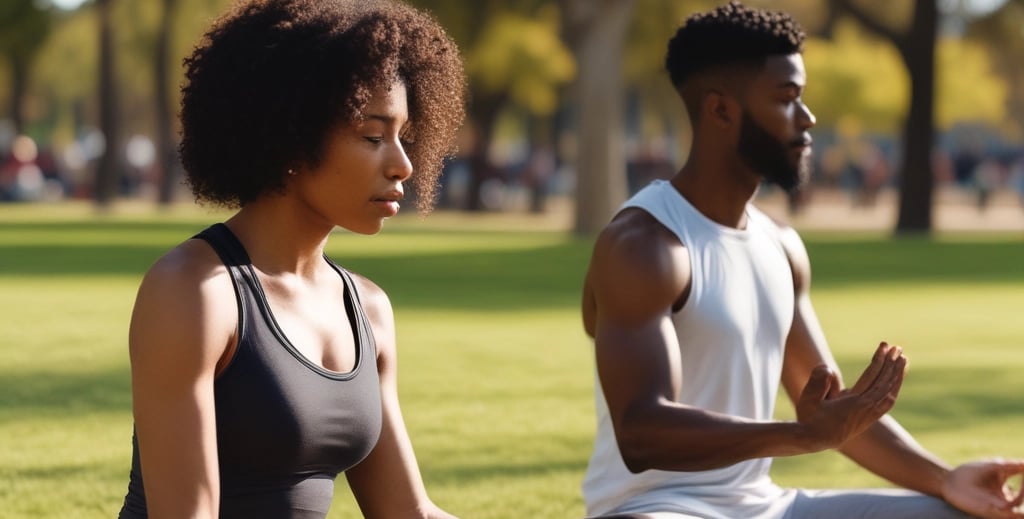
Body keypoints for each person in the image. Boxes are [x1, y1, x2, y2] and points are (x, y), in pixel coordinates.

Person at [579, 2, 1024, 518]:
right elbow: (641, 433)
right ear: (721, 111)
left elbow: (832, 416)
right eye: (787, 99)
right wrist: (801, 435)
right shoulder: (645, 245)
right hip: (660, 507)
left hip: (769, 506)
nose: (808, 118)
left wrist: (945, 479)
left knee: (965, 515)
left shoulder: (781, 245)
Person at [117, 0, 465, 517]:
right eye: (373, 136)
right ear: (291, 136)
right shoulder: (195, 291)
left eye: (404, 137)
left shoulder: (368, 309)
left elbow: (408, 512)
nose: (403, 164)